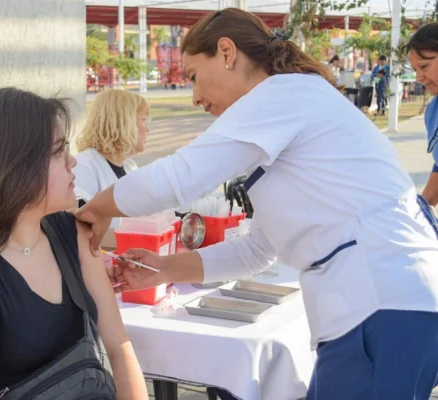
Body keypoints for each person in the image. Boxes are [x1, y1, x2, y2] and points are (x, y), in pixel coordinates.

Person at [76, 8, 438, 400]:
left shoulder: (283, 94)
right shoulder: (289, 105)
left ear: (227, 52)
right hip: (384, 305)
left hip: (380, 302)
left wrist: (96, 208)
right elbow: (258, 249)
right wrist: (164, 269)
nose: (195, 97)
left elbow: (180, 177)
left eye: (195, 76)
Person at [0, 88, 148, 400]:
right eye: (59, 151)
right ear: (13, 167)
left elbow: (119, 347)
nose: (73, 161)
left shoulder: (72, 232)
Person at [74, 89, 150, 217]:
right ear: (124, 122)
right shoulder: (83, 166)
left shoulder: (129, 166)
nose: (148, 129)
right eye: (144, 120)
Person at [407, 22, 438, 206]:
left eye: (424, 66)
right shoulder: (433, 111)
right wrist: (421, 208)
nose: (419, 77)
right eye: (415, 70)